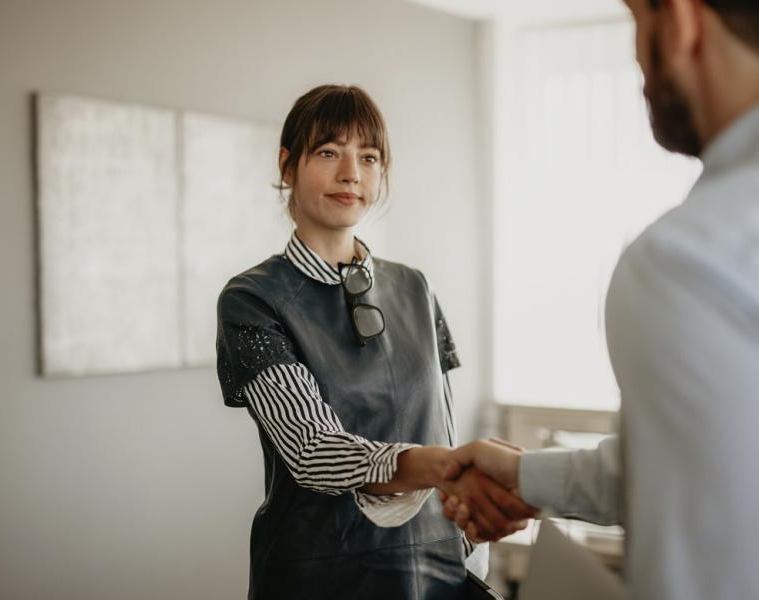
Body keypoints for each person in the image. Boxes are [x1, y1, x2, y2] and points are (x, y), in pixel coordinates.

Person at [441, 1, 759, 598]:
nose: (637, 61)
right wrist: (525, 474)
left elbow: (701, 572)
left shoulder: (687, 263)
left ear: (682, 22)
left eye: (637, 24)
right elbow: (698, 468)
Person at [216, 84, 534, 600]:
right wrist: (447, 468)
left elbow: (442, 422)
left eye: (369, 156)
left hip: (437, 564)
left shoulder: (415, 287)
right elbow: (312, 451)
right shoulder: (253, 299)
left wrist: (473, 524)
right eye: (329, 152)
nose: (352, 174)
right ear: (287, 165)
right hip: (318, 573)